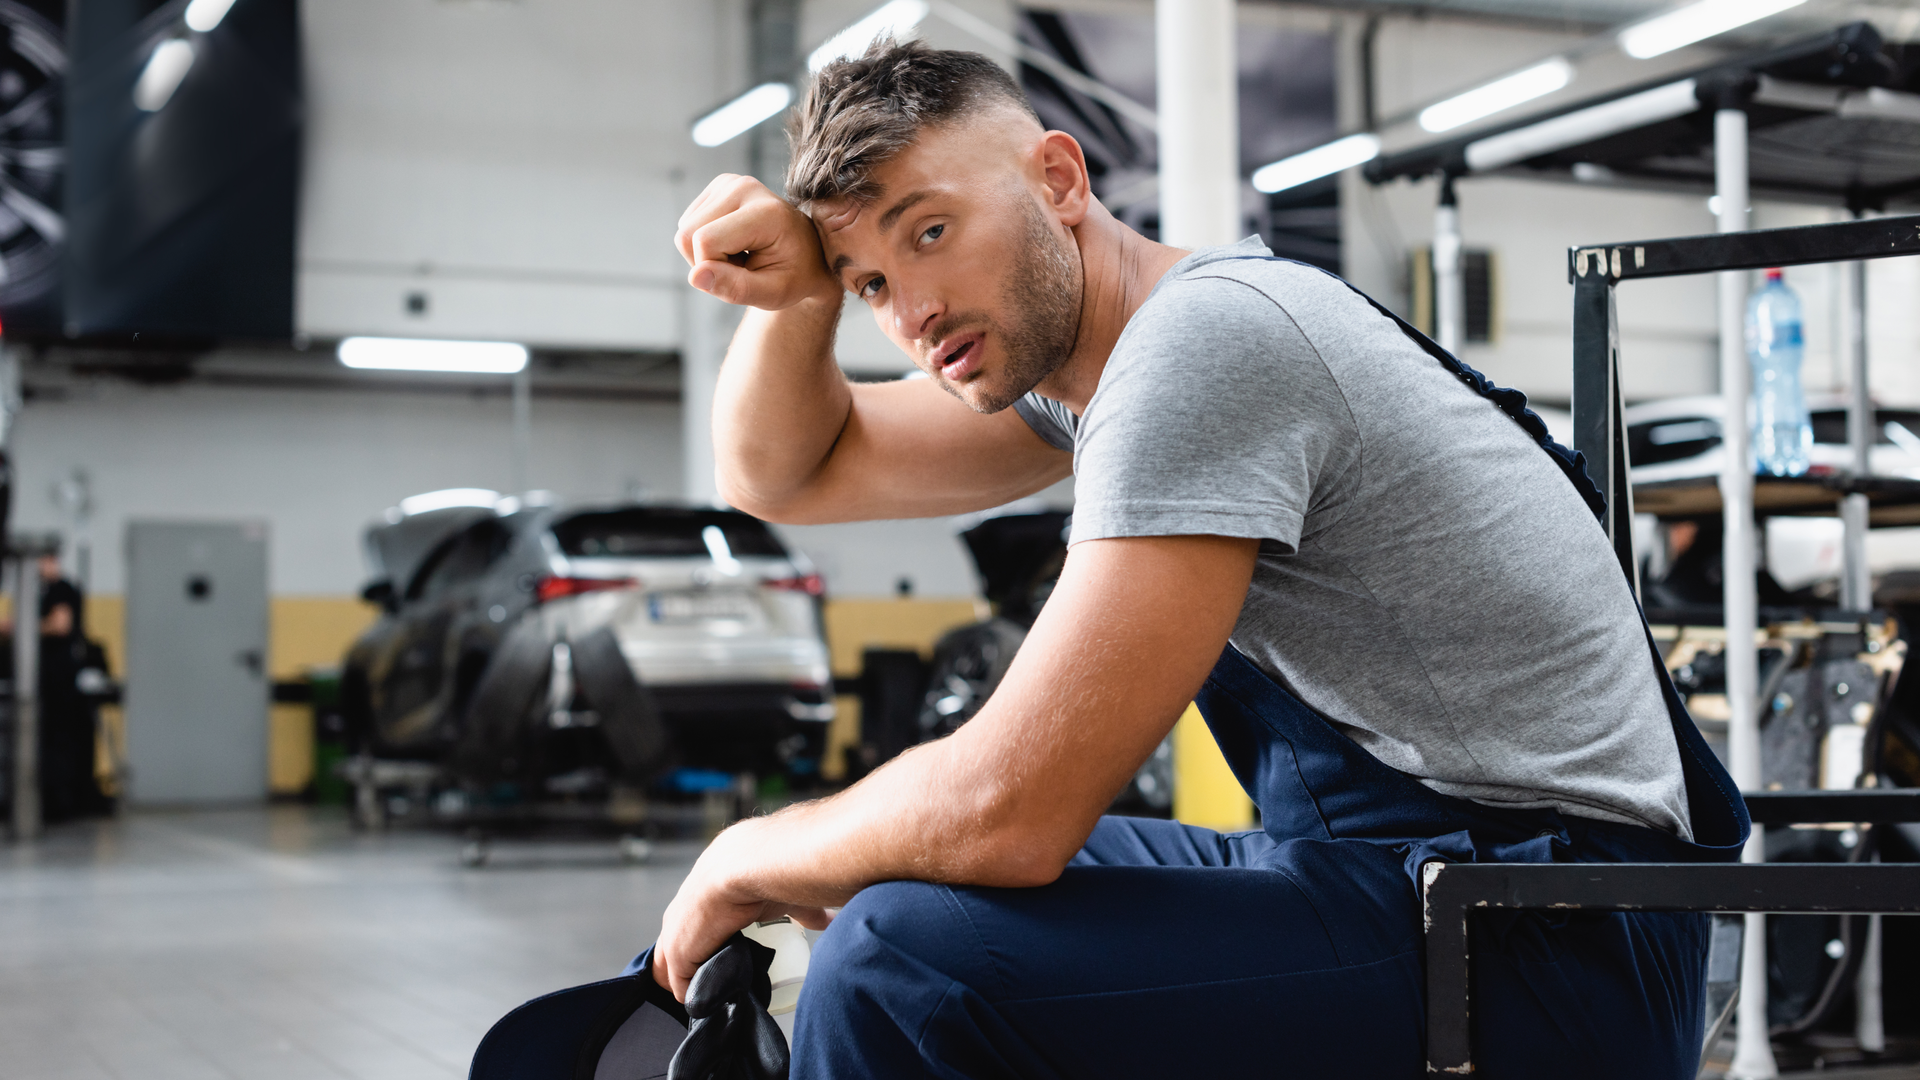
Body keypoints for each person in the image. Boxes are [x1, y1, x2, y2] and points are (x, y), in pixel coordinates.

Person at [649, 40, 1746, 1078]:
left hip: (1553, 943)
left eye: (928, 232)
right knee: (903, 874)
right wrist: (800, 296)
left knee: (901, 958)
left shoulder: (1202, 349)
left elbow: (1010, 811)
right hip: (1424, 881)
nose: (914, 310)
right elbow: (785, 474)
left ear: (1060, 179)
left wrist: (753, 847)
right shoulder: (1111, 368)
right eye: (871, 285)